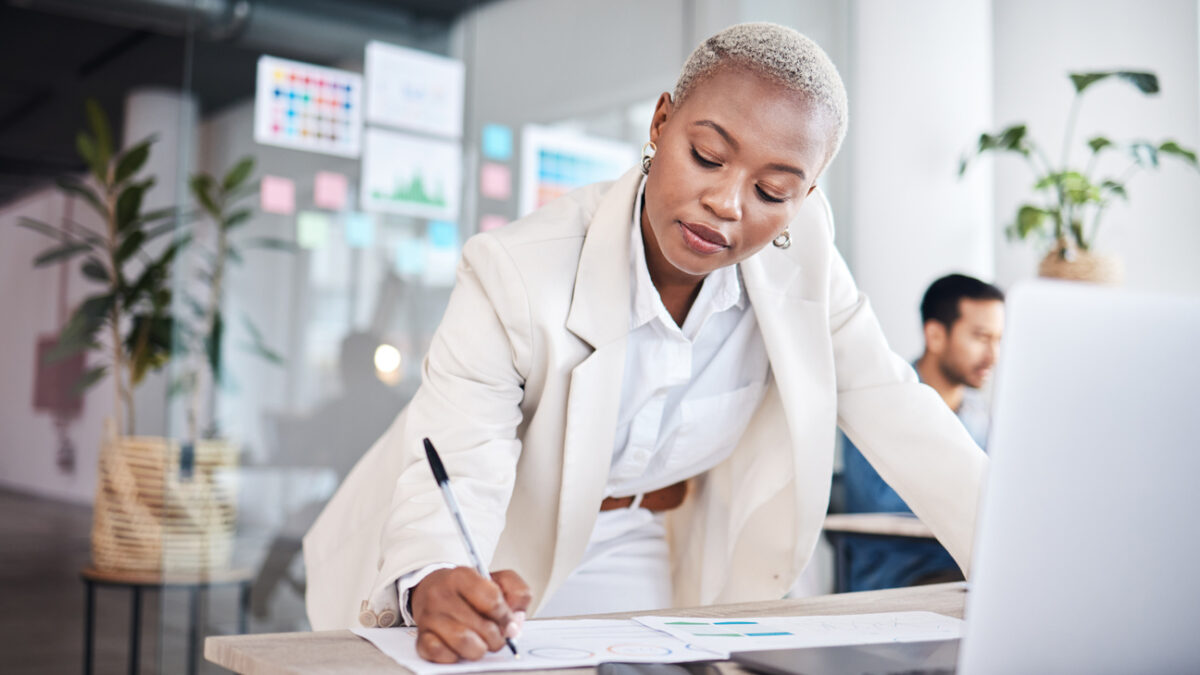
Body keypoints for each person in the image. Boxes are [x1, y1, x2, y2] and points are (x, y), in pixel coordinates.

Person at [303, 22, 987, 663]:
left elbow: (902, 411)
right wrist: (436, 572)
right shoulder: (518, 271)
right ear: (661, 123)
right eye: (708, 156)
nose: (728, 202)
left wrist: (1016, 558)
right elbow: (459, 449)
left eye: (773, 190)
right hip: (501, 544)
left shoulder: (803, 258)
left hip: (651, 543)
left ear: (803, 199)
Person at [840, 274, 1004, 591]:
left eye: (998, 340)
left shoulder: (981, 413)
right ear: (935, 335)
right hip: (900, 578)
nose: (993, 356)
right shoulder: (881, 399)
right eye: (981, 338)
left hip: (965, 572)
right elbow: (881, 504)